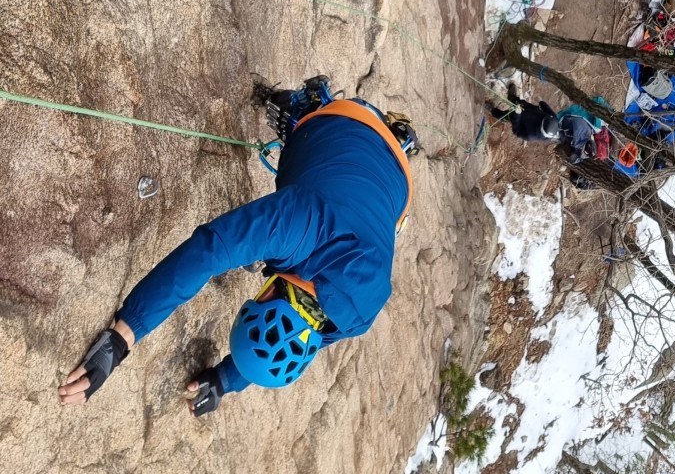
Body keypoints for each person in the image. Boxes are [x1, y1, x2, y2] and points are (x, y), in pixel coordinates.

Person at [58, 79, 419, 417]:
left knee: (380, 225)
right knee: (291, 115)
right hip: (340, 122)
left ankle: (397, 139)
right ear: (267, 295)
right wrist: (122, 336)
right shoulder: (296, 225)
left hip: (400, 184)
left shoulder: (357, 317)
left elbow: (303, 339)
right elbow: (209, 251)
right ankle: (306, 108)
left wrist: (226, 379)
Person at [488, 82, 561, 144]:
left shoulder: (530, 135)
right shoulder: (553, 119)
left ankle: (492, 110)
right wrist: (541, 102)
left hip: (520, 120)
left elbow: (516, 130)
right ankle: (512, 98)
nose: (545, 118)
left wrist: (517, 115)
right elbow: (548, 110)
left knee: (504, 116)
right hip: (530, 110)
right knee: (519, 102)